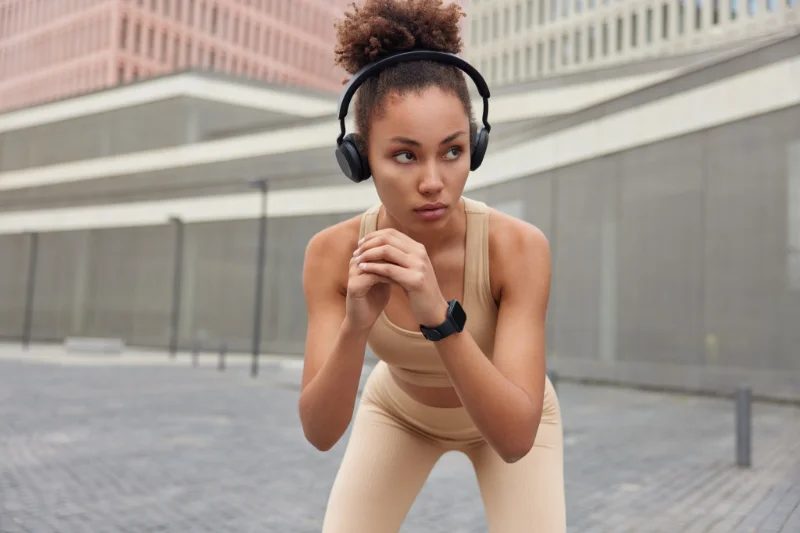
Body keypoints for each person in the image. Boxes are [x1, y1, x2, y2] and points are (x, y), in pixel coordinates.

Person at [298, 1, 565, 531]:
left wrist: (439, 317)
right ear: (359, 159)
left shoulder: (518, 249)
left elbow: (514, 440)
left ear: (476, 147)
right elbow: (321, 432)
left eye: (452, 151)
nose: (432, 180)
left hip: (508, 412)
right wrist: (355, 325)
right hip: (398, 413)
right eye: (404, 155)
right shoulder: (331, 254)